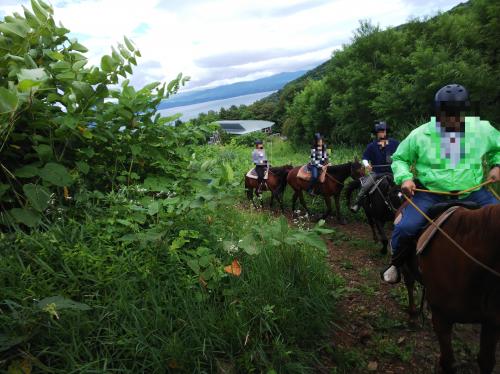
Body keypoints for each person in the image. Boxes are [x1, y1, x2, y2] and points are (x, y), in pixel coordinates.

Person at [381, 83, 499, 284]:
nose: (452, 120)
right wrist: (406, 178)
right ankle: (396, 264)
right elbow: (400, 158)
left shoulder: (482, 129)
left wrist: (497, 165)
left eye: (457, 115)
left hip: (474, 192)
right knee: (405, 228)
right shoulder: (420, 134)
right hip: (430, 193)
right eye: (446, 115)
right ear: (438, 113)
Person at [350, 121, 400, 212]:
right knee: (365, 186)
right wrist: (367, 164)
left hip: (392, 172)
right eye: (380, 131)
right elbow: (364, 158)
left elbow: (402, 154)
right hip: (376, 173)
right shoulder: (371, 146)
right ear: (377, 133)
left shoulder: (394, 143)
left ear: (386, 131)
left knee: (403, 186)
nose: (382, 133)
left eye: (383, 131)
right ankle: (357, 203)